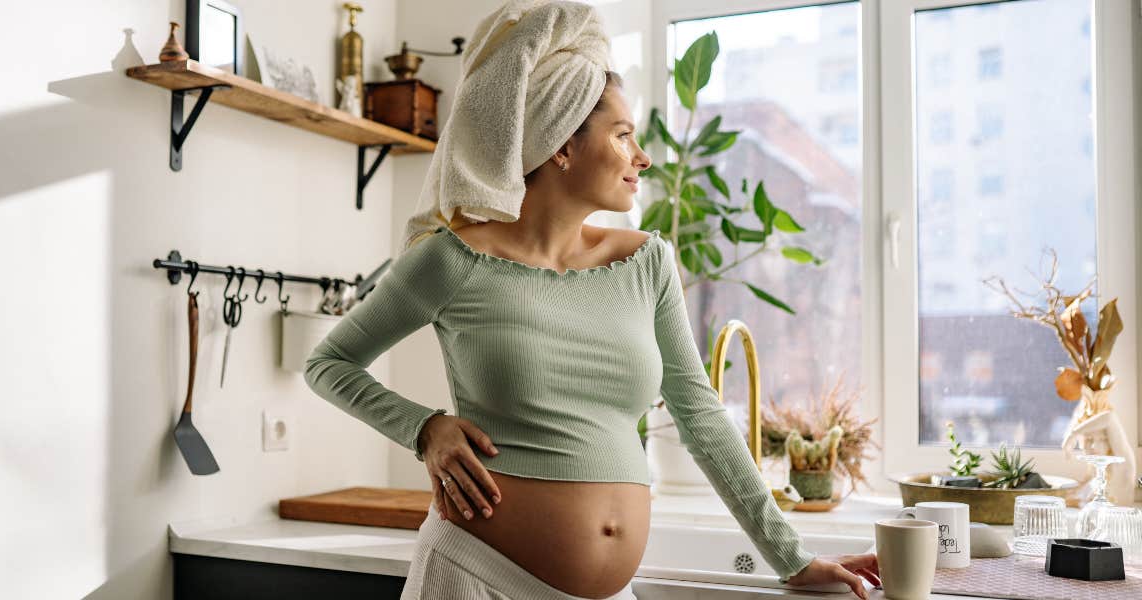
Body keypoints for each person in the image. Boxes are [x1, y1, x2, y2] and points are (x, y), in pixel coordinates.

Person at [304, 3, 879, 599]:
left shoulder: (646, 262)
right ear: (561, 146)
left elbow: (699, 415)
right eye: (623, 135)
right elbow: (328, 364)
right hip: (475, 577)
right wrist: (425, 428)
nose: (643, 156)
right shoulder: (452, 260)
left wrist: (792, 558)